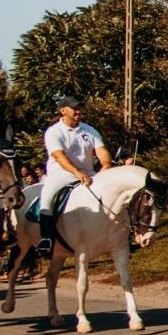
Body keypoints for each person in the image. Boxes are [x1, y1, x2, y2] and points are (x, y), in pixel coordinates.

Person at [37, 96, 112, 257]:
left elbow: (101, 150)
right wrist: (77, 173)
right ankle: (47, 238)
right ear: (63, 110)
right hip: (61, 173)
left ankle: (122, 234)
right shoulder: (54, 132)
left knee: (112, 194)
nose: (78, 111)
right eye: (74, 108)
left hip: (88, 173)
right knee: (47, 198)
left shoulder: (90, 130)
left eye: (79, 108)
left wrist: (106, 165)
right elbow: (59, 156)